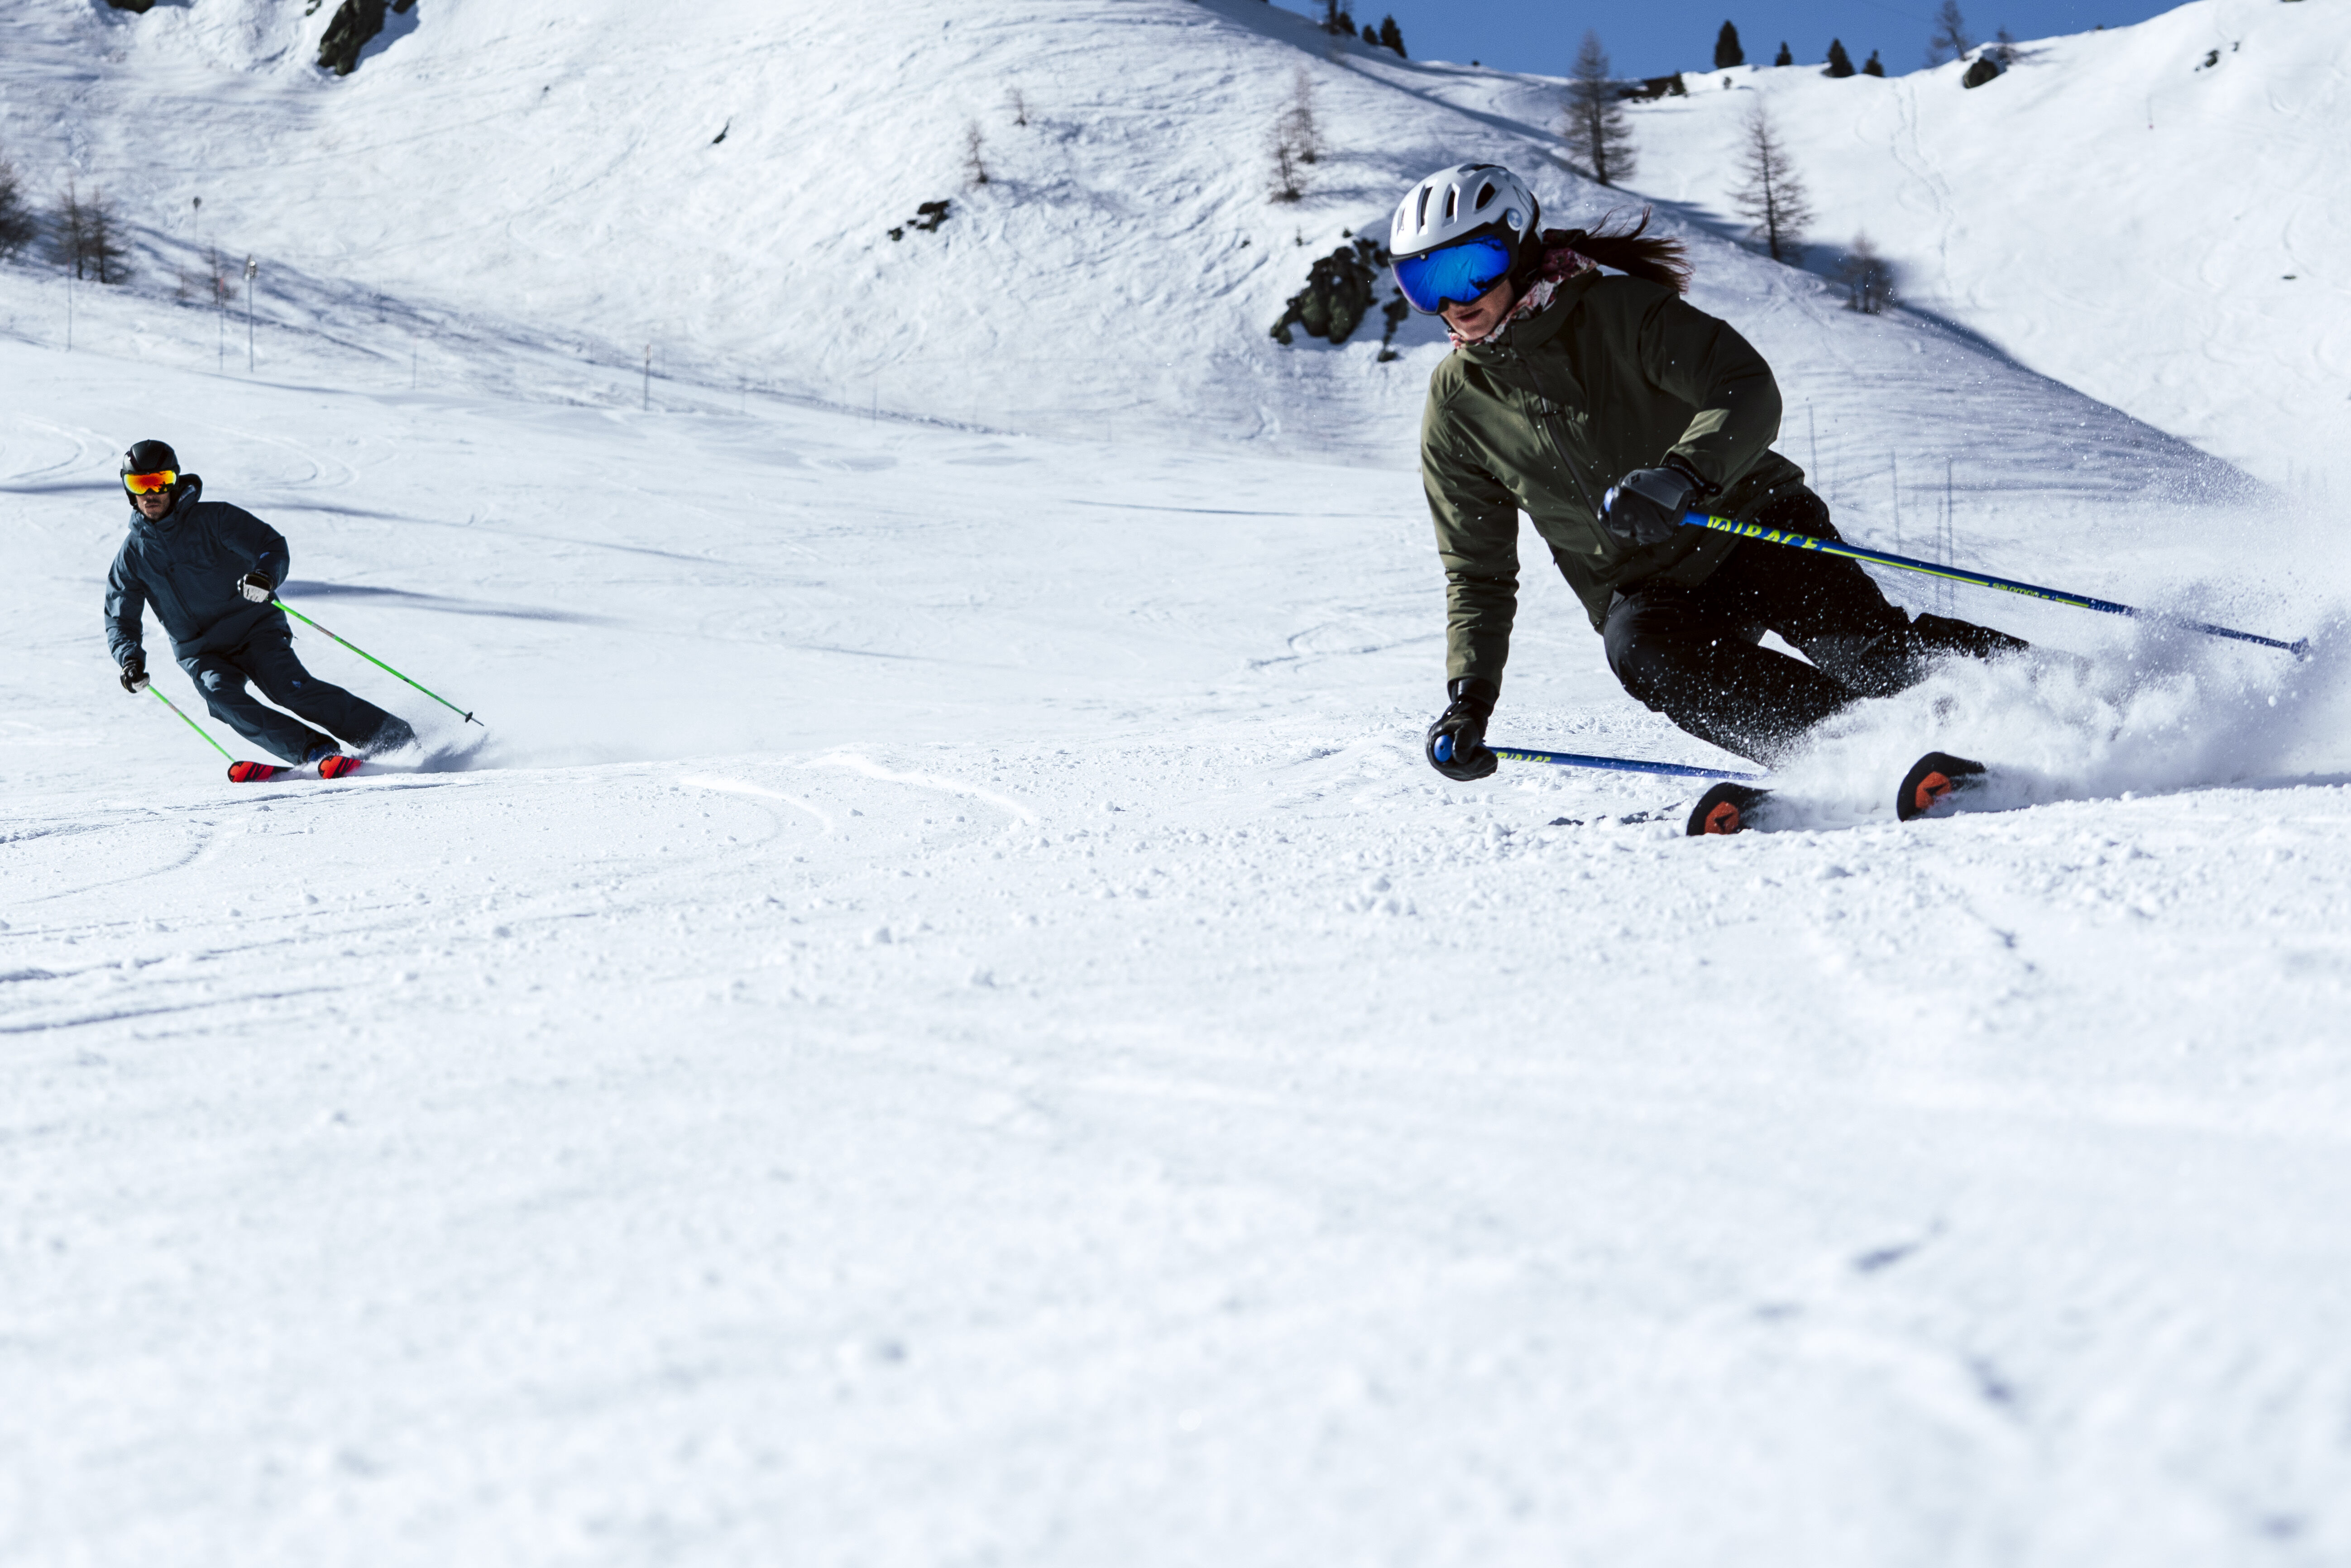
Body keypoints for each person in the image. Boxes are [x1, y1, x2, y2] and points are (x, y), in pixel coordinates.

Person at [1392, 163, 2025, 784]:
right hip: (1648, 588)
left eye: (1470, 268)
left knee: (1870, 655)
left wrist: (1684, 474)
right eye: (1424, 284)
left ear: (1520, 247)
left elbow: (1744, 385)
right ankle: (1860, 757)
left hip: (1746, 519)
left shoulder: (1619, 313)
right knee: (1642, 653)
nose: (1453, 301)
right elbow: (1478, 572)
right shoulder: (1456, 407)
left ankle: (2053, 699)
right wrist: (1469, 700)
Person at [104, 440, 416, 766]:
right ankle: (315, 752)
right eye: (139, 483)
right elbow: (120, 618)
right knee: (222, 699)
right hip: (200, 651)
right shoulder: (131, 557)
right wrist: (130, 660)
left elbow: (269, 545)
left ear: (175, 481)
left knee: (290, 689)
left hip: (254, 627)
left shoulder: (215, 519)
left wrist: (264, 577)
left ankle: (390, 737)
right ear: (128, 489)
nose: (150, 493)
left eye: (160, 481)